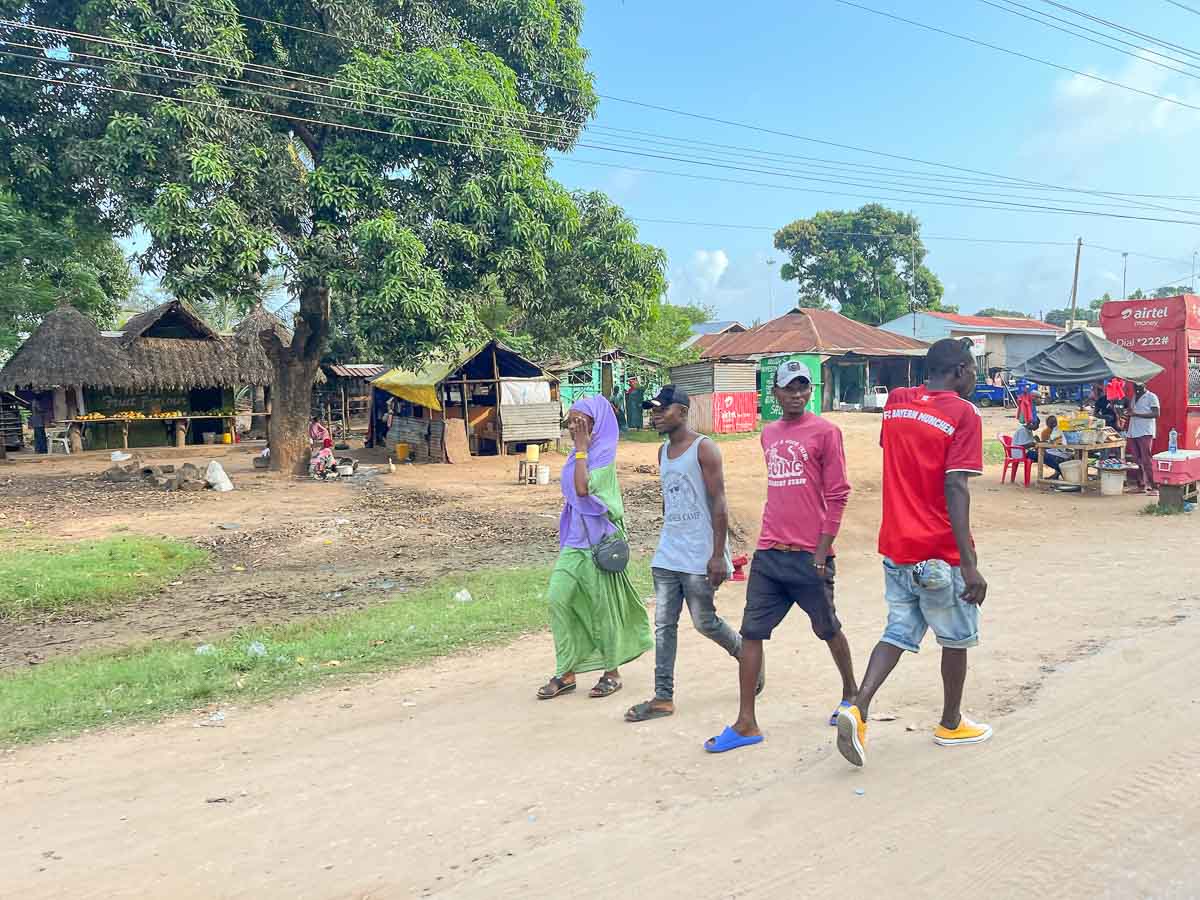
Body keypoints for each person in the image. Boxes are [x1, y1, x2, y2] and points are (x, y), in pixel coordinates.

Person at [836, 338, 990, 769]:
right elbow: (955, 485)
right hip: (939, 549)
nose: (976, 379)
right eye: (974, 371)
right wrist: (969, 564)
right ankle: (951, 722)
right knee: (956, 637)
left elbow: (899, 458)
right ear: (959, 371)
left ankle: (858, 706)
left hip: (896, 545)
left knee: (899, 631)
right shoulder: (963, 414)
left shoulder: (897, 403)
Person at [703, 359, 856, 753]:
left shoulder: (826, 432)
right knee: (751, 633)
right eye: (789, 388)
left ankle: (852, 695)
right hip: (770, 552)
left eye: (803, 387)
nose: (797, 394)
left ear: (811, 390)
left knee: (828, 629)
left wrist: (822, 550)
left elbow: (838, 494)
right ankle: (746, 721)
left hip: (810, 556)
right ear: (775, 393)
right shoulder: (768, 433)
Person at [624, 385, 756, 723]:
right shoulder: (661, 452)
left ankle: (747, 654)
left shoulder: (704, 448)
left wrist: (717, 555)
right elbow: (669, 501)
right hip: (669, 552)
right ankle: (662, 697)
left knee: (704, 622)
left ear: (682, 411)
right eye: (652, 410)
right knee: (663, 625)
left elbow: (719, 503)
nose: (654, 415)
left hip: (700, 554)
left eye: (661, 410)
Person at [537, 395, 652, 701]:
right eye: (570, 419)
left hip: (601, 544)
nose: (573, 426)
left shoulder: (601, 455)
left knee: (604, 608)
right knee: (557, 599)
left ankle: (611, 672)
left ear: (595, 423)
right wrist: (578, 452)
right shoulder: (576, 455)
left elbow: (582, 488)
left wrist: (582, 449)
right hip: (575, 542)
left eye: (580, 420)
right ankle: (567, 671)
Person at [1126, 382, 1160, 494]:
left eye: (1139, 386)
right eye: (1135, 386)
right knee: (1137, 460)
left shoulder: (1152, 396)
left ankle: (1154, 486)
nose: (1136, 388)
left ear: (1144, 385)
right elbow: (1132, 412)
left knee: (1146, 460)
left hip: (1145, 431)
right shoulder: (1134, 397)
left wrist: (1136, 414)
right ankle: (1141, 485)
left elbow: (1156, 413)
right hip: (1133, 431)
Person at [1038, 415, 1071, 479]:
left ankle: (1057, 474)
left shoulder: (1059, 430)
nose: (1054, 423)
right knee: (1061, 458)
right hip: (1050, 451)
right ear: (1047, 424)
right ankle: (1059, 474)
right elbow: (1045, 445)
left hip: (1058, 450)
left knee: (1068, 456)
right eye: (1051, 422)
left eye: (1055, 422)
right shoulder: (1045, 432)